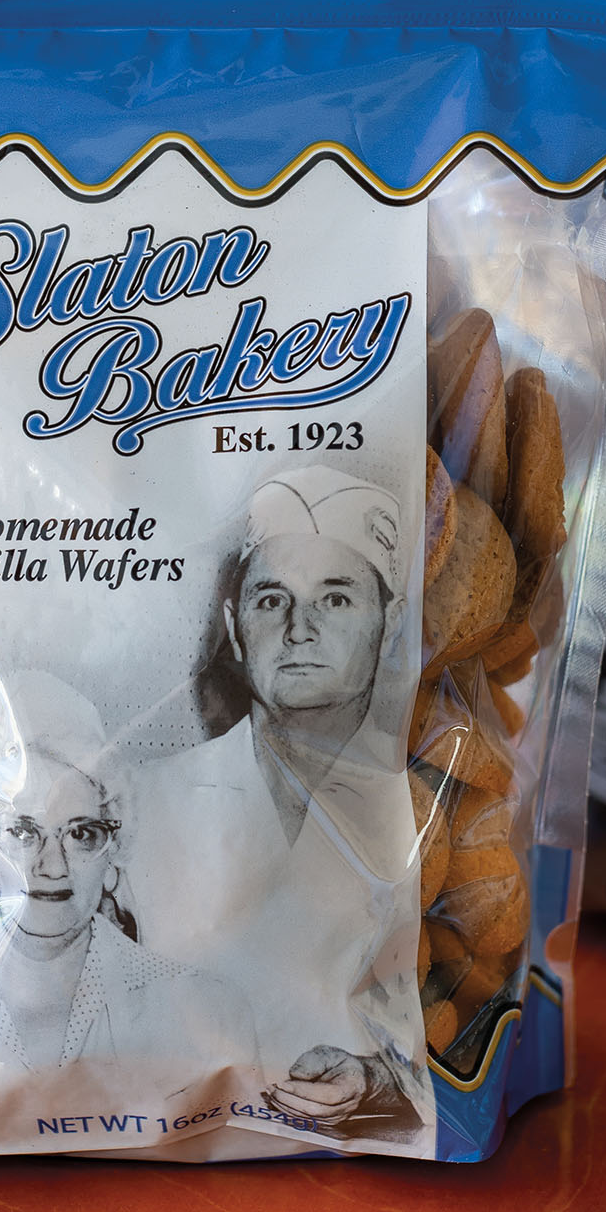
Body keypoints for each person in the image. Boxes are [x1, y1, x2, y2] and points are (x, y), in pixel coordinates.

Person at [125, 465, 427, 1143]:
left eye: (337, 599)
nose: (298, 630)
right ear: (234, 628)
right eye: (270, 600)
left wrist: (375, 1079)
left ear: (392, 620)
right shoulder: (147, 800)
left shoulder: (431, 805)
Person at [0, 672, 254, 1154]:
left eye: (80, 834)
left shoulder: (202, 1010)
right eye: (21, 831)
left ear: (113, 846)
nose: (51, 866)